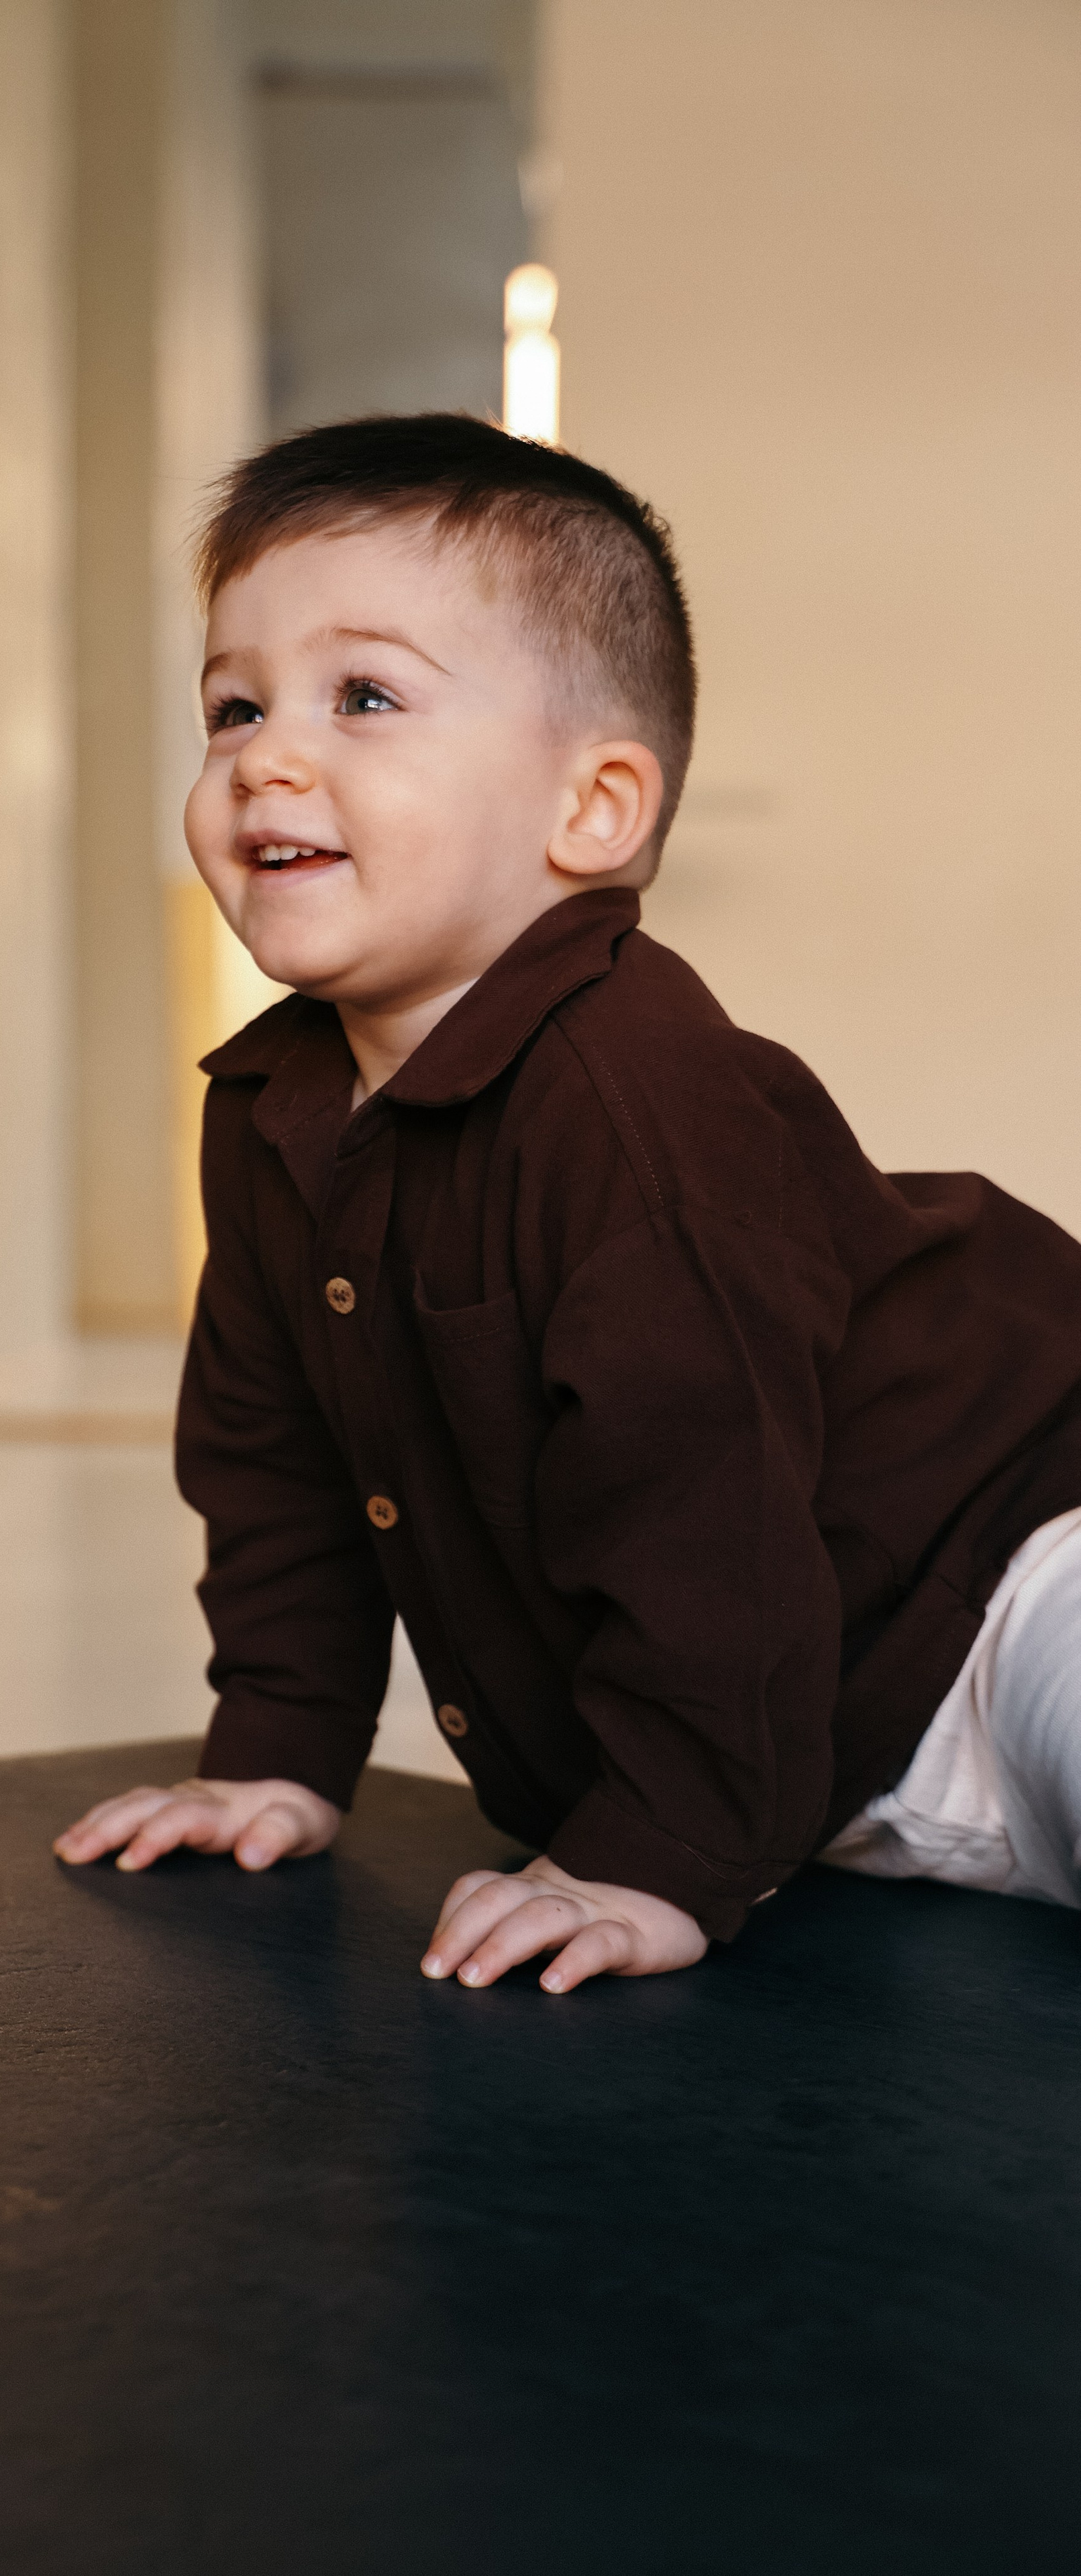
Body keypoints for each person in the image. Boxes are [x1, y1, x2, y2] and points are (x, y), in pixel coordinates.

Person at [54, 414, 1081, 1994]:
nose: (266, 754)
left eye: (365, 697)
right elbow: (279, 1471)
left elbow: (708, 1497)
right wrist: (276, 1752)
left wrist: (652, 1852)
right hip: (828, 1754)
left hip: (1008, 1577)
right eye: (232, 705)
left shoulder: (632, 1093)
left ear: (591, 810)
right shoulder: (273, 1117)